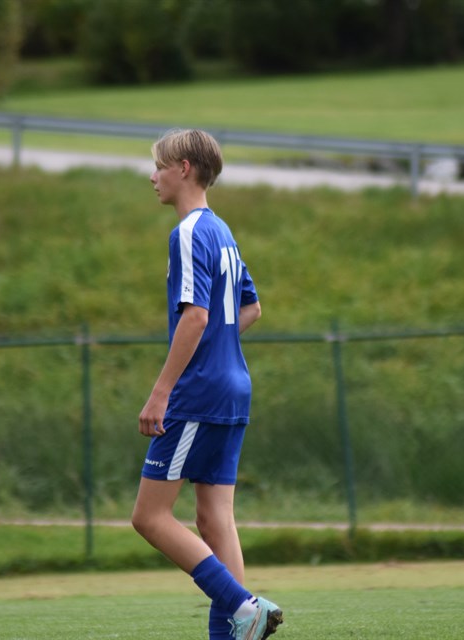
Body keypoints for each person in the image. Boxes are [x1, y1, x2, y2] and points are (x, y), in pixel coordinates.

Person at [132, 128, 283, 640]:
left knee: (150, 517)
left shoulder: (188, 232)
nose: (152, 176)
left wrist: (161, 392)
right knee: (216, 520)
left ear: (184, 169)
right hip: (233, 386)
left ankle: (244, 606)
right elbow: (251, 308)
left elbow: (195, 317)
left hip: (198, 393)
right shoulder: (222, 231)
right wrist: (219, 346)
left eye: (159, 166)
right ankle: (238, 631)